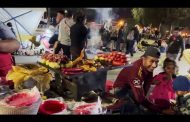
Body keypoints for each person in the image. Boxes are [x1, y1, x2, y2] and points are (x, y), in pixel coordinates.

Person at [109, 47, 164, 114]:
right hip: (121, 90)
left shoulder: (148, 67)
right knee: (135, 111)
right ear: (143, 58)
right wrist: (160, 110)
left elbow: (147, 85)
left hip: (132, 88)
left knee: (142, 106)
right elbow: (140, 98)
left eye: (157, 62)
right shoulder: (135, 70)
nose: (154, 65)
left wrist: (145, 103)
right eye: (152, 61)